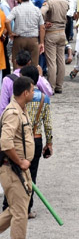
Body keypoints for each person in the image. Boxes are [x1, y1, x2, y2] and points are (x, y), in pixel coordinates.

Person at [0, 76, 35, 238]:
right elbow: (5, 142)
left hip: (21, 170)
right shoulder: (13, 113)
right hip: (13, 170)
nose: (34, 93)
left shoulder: (22, 110)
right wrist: (20, 161)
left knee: (16, 209)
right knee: (20, 214)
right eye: (32, 90)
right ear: (25, 92)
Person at [19, 66, 53, 219]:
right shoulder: (44, 98)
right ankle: (27, 208)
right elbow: (48, 124)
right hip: (36, 138)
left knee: (16, 172)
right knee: (31, 175)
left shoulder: (20, 97)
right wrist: (49, 143)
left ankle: (12, 206)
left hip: (19, 139)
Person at [0, 50, 53, 115]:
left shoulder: (7, 79)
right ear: (29, 62)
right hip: (32, 116)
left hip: (14, 115)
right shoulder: (35, 76)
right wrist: (41, 76)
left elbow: (3, 104)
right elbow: (49, 92)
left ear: (15, 62)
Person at [5, 0, 45, 67]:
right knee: (34, 64)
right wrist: (41, 42)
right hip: (33, 40)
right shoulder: (37, 10)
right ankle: (31, 78)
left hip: (19, 39)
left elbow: (7, 21)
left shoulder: (16, 9)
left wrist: (10, 33)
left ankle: (19, 77)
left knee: (17, 62)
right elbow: (42, 27)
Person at [41, 0, 69, 94]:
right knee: (61, 60)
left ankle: (51, 86)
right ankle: (59, 85)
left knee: (51, 62)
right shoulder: (65, 3)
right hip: (62, 32)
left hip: (51, 32)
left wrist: (44, 22)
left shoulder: (49, 2)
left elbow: (41, 13)